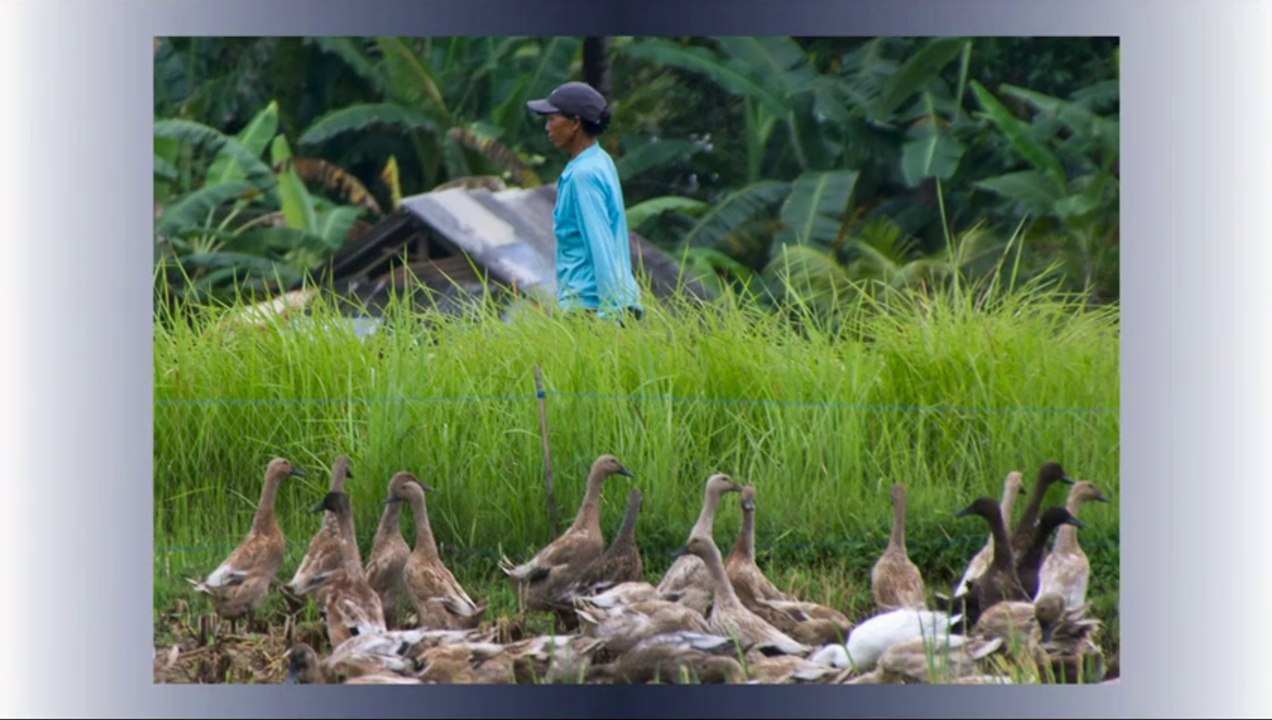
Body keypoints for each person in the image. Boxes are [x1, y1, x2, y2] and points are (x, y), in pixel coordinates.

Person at [527, 82, 643, 323]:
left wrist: (612, 313)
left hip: (589, 308)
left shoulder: (583, 176)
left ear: (575, 123)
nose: (547, 127)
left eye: (552, 119)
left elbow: (599, 243)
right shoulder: (600, 161)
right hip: (600, 302)